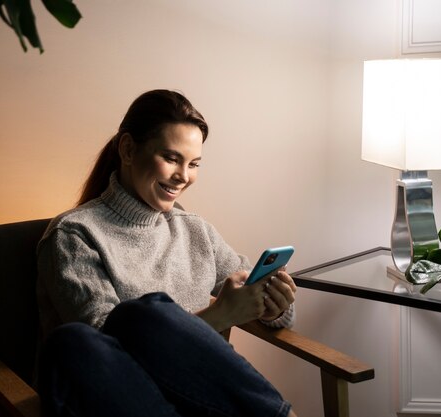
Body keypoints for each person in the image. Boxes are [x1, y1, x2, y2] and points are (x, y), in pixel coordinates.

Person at [36, 89, 298, 417]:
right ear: (128, 149)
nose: (183, 177)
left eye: (194, 164)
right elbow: (104, 353)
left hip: (210, 401)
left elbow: (274, 309)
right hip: (129, 402)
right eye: (172, 159)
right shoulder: (75, 234)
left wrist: (274, 303)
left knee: (139, 316)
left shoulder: (194, 230)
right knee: (109, 328)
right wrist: (222, 315)